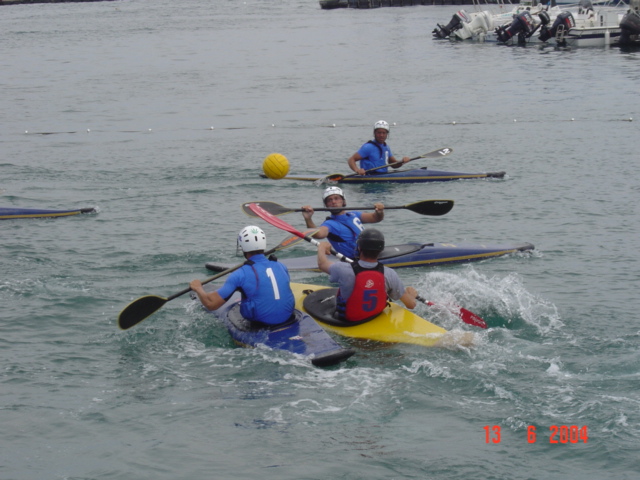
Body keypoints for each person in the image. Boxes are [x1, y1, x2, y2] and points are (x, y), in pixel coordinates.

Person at [190, 226, 295, 326]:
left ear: (243, 247)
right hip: (286, 317)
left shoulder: (240, 274)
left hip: (260, 323)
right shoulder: (281, 266)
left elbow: (211, 304)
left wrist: (198, 288)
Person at [316, 228, 418, 322]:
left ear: (359, 248)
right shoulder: (390, 274)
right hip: (374, 318)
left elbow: (322, 264)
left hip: (348, 321)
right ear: (381, 250)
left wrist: (322, 247)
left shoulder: (342, 269)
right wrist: (411, 295)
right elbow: (411, 305)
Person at [301, 186, 384, 260]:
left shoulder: (354, 214)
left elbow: (375, 218)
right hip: (354, 260)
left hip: (370, 253)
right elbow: (318, 234)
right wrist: (308, 219)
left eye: (336, 198)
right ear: (326, 205)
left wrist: (379, 212)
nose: (333, 202)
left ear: (343, 201)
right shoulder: (329, 224)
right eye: (329, 200)